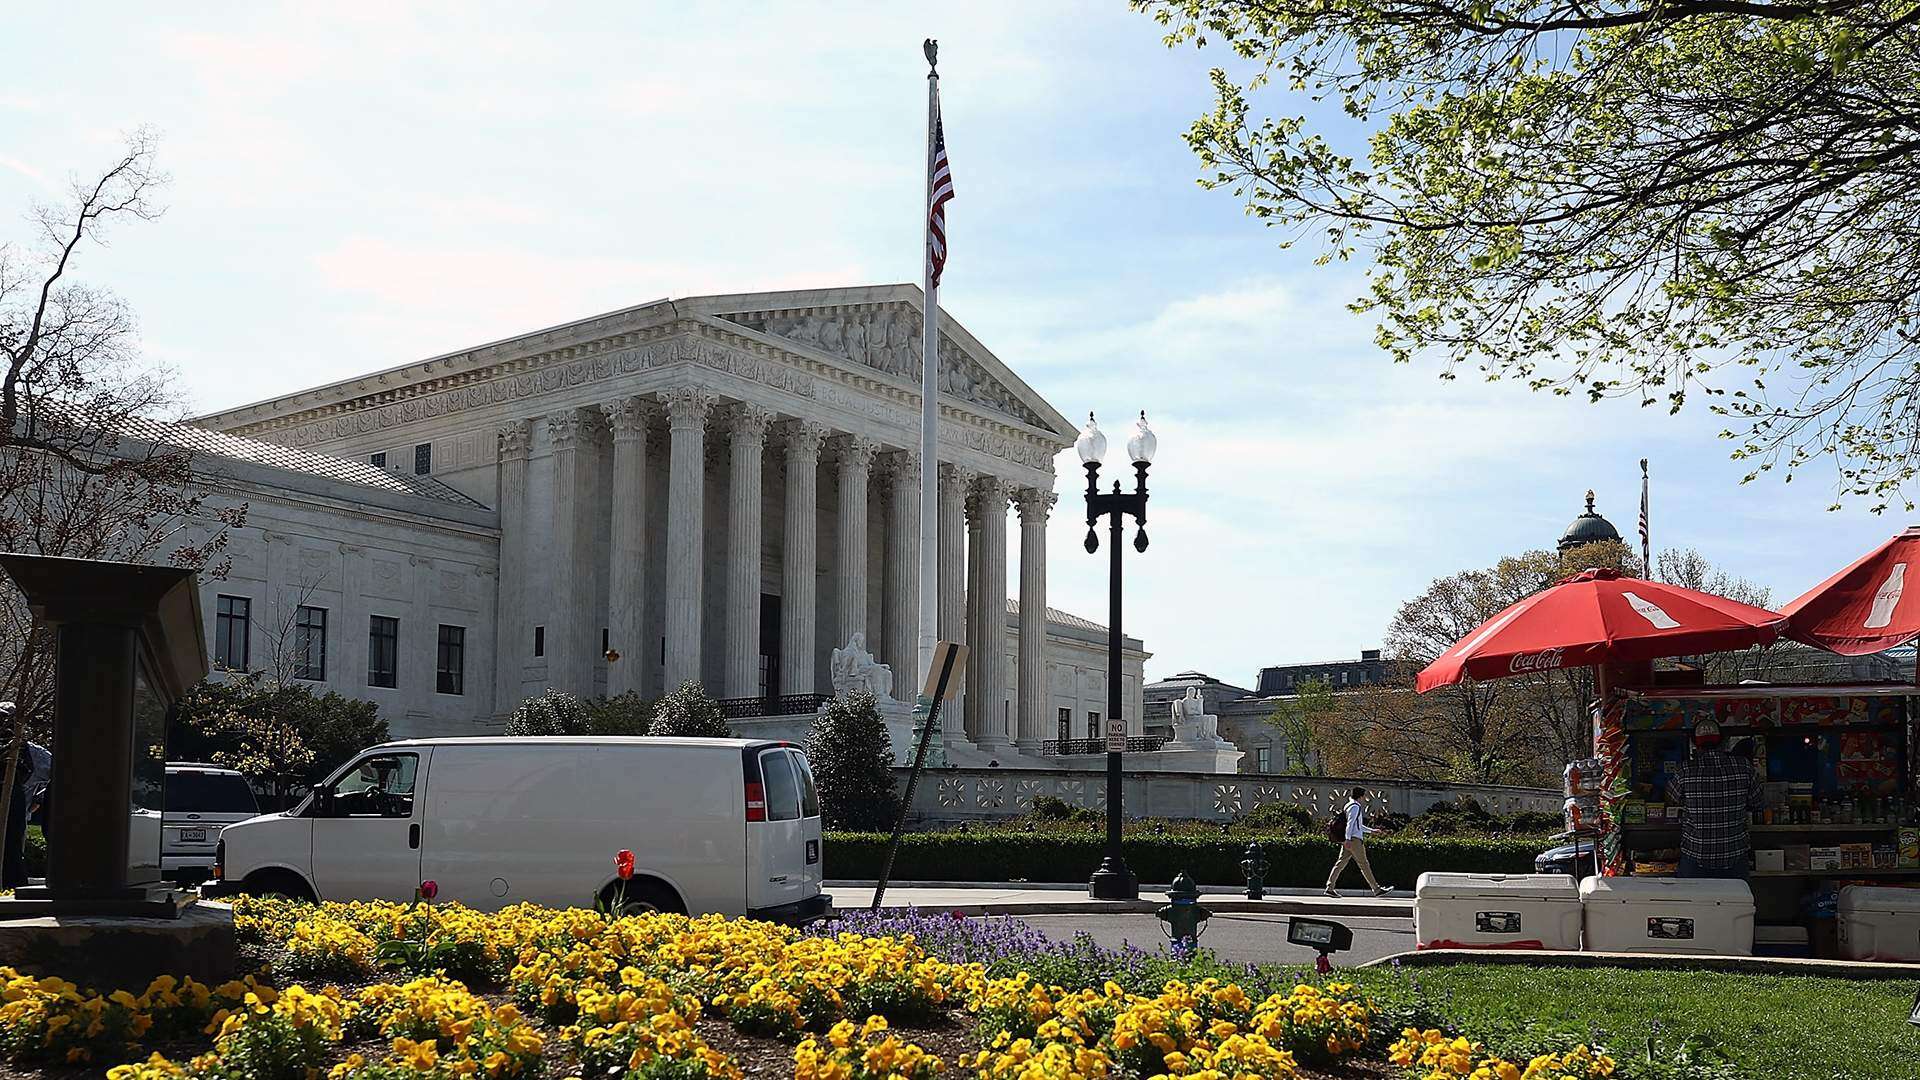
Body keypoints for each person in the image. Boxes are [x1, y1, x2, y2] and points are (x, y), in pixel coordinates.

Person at [1667, 720, 1761, 879]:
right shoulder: (1744, 767)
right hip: (1734, 855)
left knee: (1696, 903)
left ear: (1695, 743)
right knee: (1736, 902)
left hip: (1695, 856)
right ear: (1723, 741)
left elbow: (1671, 800)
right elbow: (1758, 802)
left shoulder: (1685, 770)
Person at [1325, 785, 1393, 897]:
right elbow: (1351, 824)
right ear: (1360, 796)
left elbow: (1357, 825)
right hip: (1354, 840)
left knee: (1340, 863)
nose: (1364, 799)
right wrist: (1347, 839)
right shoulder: (1355, 807)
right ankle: (1376, 889)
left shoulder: (1348, 805)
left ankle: (1330, 887)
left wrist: (1371, 831)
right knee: (1364, 864)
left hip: (1349, 839)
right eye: (1363, 796)